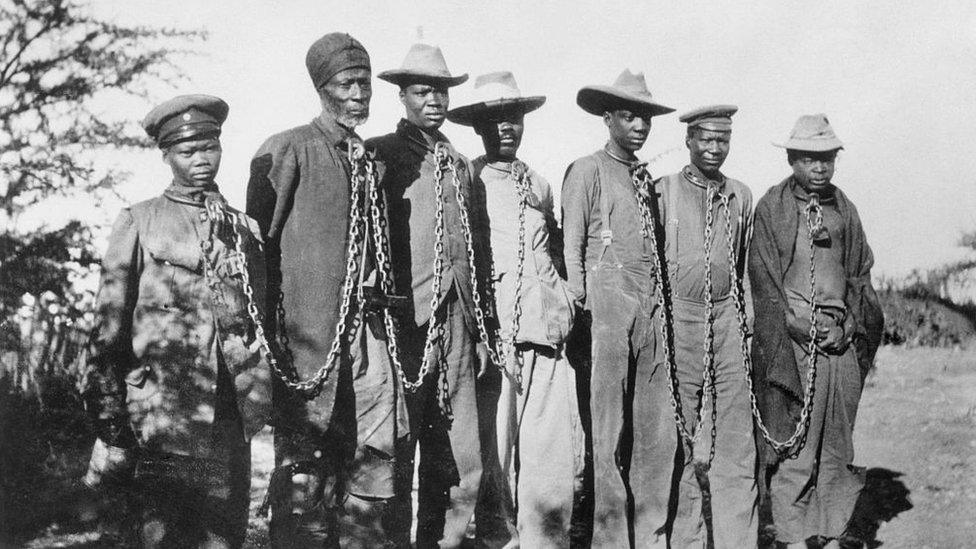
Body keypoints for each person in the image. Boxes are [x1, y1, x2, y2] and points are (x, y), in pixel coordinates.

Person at [82, 94, 271, 548]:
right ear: (166, 155)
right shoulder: (139, 221)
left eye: (210, 148)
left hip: (228, 418)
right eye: (188, 152)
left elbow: (258, 322)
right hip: (162, 416)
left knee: (221, 536)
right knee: (160, 535)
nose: (202, 160)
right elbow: (107, 329)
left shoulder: (244, 230)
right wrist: (111, 424)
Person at [246, 33, 408, 547]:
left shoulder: (372, 161)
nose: (360, 93)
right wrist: (270, 341)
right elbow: (256, 252)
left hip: (370, 338)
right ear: (323, 88)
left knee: (374, 461)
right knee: (305, 472)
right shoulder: (289, 148)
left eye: (366, 83)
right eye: (348, 83)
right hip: (308, 341)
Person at [367, 43, 497, 548]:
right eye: (423, 91)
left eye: (441, 90)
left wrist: (482, 331)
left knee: (459, 453)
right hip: (406, 325)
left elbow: (478, 250)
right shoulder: (381, 154)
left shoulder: (461, 164)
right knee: (400, 445)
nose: (435, 100)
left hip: (459, 324)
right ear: (403, 97)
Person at [448, 71, 585, 547]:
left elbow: (557, 252)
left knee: (549, 461)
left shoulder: (540, 185)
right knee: (495, 459)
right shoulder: (467, 179)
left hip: (545, 338)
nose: (507, 128)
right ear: (479, 127)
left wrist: (565, 302)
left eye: (514, 119)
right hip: (495, 339)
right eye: (495, 120)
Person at [750, 114, 884, 549]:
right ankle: (792, 532)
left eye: (827, 158)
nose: (820, 168)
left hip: (838, 339)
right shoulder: (772, 206)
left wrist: (848, 326)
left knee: (836, 438)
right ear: (792, 159)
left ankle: (834, 526)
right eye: (810, 159)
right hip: (793, 341)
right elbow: (764, 279)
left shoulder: (845, 207)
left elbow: (860, 275)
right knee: (795, 439)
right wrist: (796, 325)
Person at [561, 69, 676, 548]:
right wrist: (584, 311)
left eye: (645, 118)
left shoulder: (645, 177)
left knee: (656, 434)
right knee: (607, 438)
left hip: (650, 308)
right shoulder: (586, 170)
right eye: (629, 117)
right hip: (605, 307)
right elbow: (572, 250)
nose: (640, 126)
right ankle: (611, 540)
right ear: (607, 119)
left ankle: (651, 536)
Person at [656, 105, 757, 548]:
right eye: (706, 139)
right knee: (680, 437)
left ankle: (739, 539)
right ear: (689, 140)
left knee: (735, 440)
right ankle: (687, 540)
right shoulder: (664, 192)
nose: (715, 148)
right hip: (680, 318)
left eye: (723, 139)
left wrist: (745, 317)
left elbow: (745, 263)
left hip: (729, 317)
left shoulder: (740, 196)